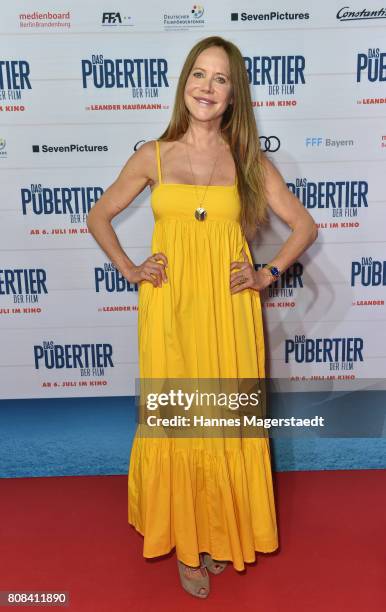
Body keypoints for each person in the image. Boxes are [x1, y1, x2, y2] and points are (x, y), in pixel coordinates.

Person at [86, 35, 318, 599]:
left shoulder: (249, 163)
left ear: (233, 94)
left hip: (229, 312)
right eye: (198, 74)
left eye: (219, 79)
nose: (206, 87)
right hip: (169, 311)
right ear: (184, 83)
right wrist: (130, 268)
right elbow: (99, 215)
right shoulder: (153, 155)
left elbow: (304, 226)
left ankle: (218, 533)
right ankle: (188, 545)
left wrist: (267, 273)